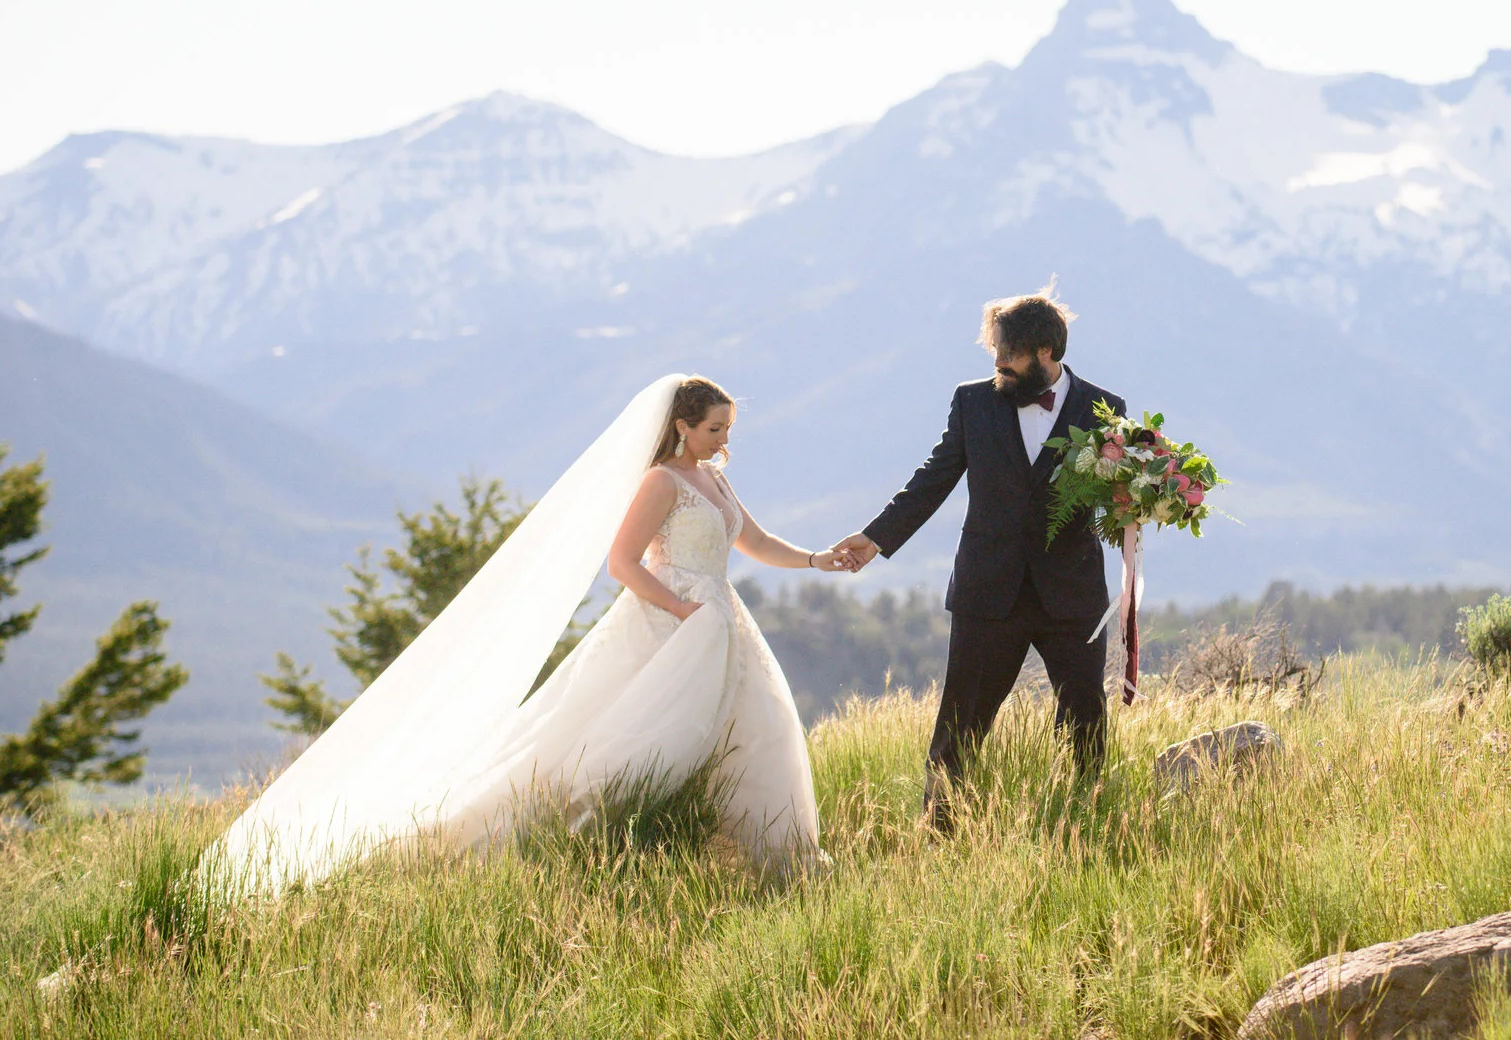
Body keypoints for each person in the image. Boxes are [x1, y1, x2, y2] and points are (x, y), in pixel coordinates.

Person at [211, 375, 837, 891]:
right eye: (713, 428)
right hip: (670, 623)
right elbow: (622, 563)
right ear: (681, 426)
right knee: (636, 739)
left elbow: (752, 541)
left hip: (720, 623)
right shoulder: (663, 482)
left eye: (728, 428)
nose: (724, 439)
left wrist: (816, 559)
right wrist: (678, 610)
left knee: (752, 732)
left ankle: (767, 865)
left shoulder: (716, 478)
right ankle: (610, 853)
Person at [823, 288, 1125, 825]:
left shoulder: (1107, 409)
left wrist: (1145, 499)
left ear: (1045, 353)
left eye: (1008, 353)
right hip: (988, 594)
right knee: (958, 728)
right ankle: (937, 836)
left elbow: (1116, 496)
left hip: (1072, 596)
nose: (997, 363)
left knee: (1086, 726)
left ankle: (1092, 827)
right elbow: (934, 478)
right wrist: (875, 538)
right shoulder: (972, 401)